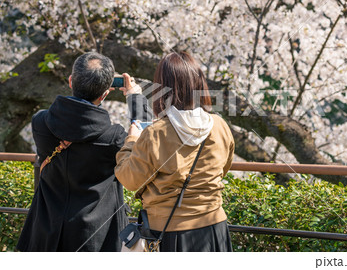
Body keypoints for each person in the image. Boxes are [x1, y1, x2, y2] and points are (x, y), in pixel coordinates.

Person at [17, 52, 149, 252]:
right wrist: (136, 100)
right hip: (95, 237)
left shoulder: (40, 123)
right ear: (105, 94)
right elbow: (144, 141)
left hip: (46, 231)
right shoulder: (113, 139)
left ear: (71, 81)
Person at [115, 51, 235, 252]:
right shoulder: (219, 125)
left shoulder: (156, 133)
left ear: (162, 88)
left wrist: (132, 140)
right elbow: (223, 168)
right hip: (215, 226)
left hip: (170, 232)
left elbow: (129, 179)